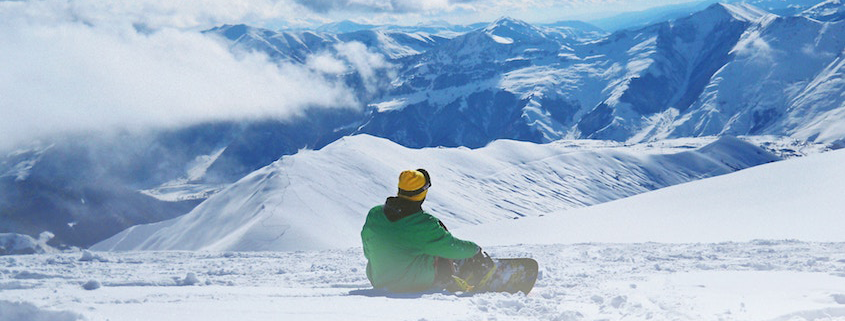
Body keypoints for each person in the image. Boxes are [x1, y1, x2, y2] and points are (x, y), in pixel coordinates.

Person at [361, 168, 484, 292]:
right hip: (411, 283)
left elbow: (368, 252)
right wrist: (475, 250)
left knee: (424, 245)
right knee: (439, 247)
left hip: (378, 280)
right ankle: (450, 277)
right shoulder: (424, 223)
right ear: (422, 193)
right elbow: (450, 246)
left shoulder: (375, 214)